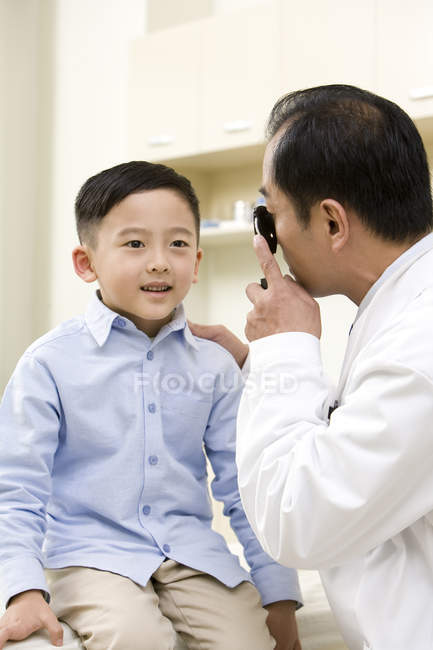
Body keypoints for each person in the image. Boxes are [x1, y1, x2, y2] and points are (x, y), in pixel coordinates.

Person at [0, 161, 303, 650]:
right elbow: (16, 490)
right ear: (86, 263)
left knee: (248, 643)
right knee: (137, 638)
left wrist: (279, 595)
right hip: (86, 555)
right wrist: (22, 589)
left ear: (197, 262)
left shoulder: (215, 365)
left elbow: (248, 489)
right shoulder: (49, 364)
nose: (160, 261)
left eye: (178, 244)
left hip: (191, 553)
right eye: (135, 243)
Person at [190, 85, 433, 650]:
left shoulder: (417, 346)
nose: (268, 237)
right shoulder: (401, 308)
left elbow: (296, 521)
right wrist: (261, 368)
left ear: (331, 223)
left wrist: (285, 348)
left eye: (269, 213)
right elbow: (366, 448)